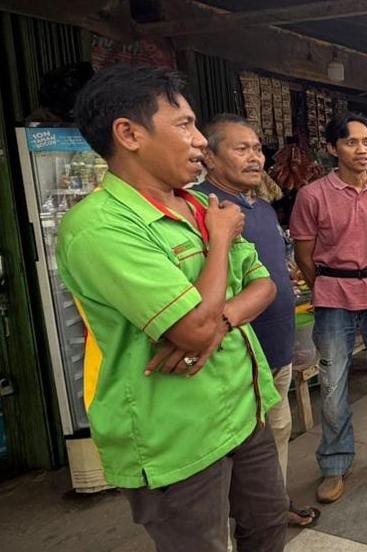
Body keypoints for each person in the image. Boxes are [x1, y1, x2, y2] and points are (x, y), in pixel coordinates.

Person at [57, 65, 286, 551]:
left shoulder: (197, 205)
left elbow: (264, 287)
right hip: (174, 435)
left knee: (267, 527)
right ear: (129, 134)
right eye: (184, 125)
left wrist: (220, 319)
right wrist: (221, 241)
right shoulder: (100, 226)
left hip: (245, 406)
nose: (201, 141)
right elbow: (194, 331)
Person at [195, 114, 319, 529]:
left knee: (276, 431)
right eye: (241, 148)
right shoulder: (200, 208)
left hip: (276, 348)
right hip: (232, 355)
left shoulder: (261, 207)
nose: (255, 158)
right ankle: (236, 525)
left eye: (257, 149)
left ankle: (273, 507)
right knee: (232, 451)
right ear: (209, 157)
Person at [291, 112, 367, 505]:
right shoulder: (312, 195)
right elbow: (304, 254)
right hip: (333, 296)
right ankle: (334, 462)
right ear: (333, 148)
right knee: (331, 386)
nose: (362, 150)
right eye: (351, 142)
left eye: (366, 142)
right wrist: (328, 284)